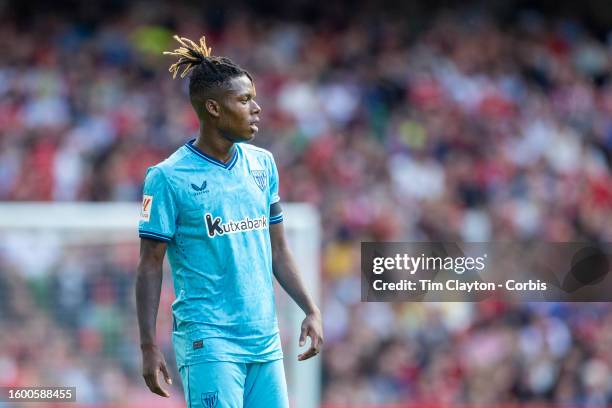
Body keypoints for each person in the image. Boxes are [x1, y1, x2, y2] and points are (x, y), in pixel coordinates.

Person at [135, 35, 323, 408]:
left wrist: (310, 308)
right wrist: (148, 346)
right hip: (209, 341)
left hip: (264, 340)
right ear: (213, 109)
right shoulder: (167, 177)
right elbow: (149, 265)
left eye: (253, 98)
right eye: (244, 100)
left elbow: (278, 249)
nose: (256, 108)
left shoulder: (262, 164)